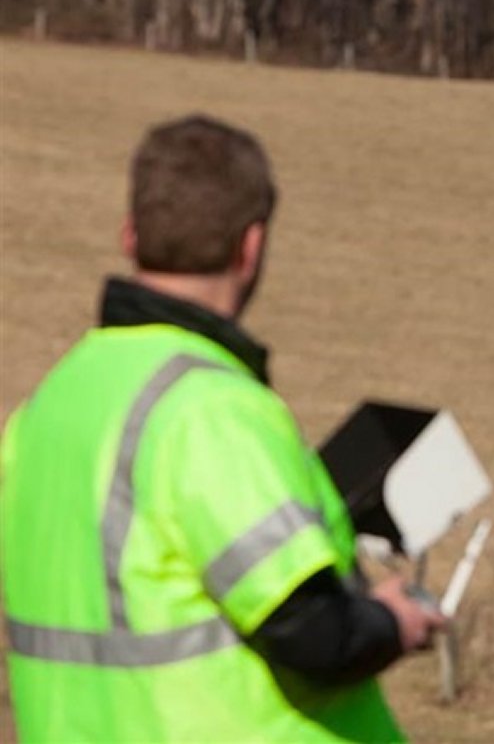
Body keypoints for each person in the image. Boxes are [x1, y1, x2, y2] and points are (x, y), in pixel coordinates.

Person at [1, 115, 443, 742]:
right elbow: (311, 632)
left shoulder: (47, 407)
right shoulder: (209, 412)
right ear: (251, 246)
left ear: (129, 235)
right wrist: (392, 621)